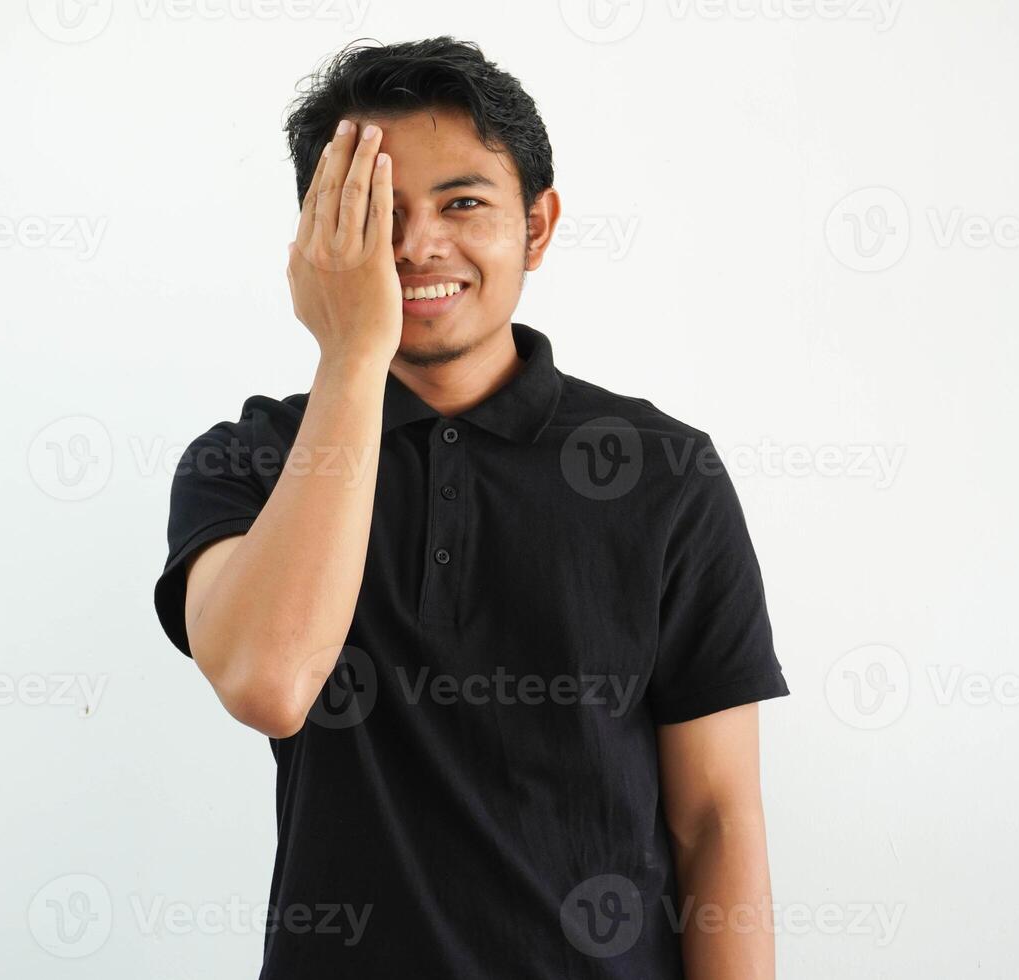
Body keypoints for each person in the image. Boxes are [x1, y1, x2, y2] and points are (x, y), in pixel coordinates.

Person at [153, 36, 791, 979]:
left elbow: (717, 820)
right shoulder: (251, 459)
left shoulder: (664, 472)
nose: (417, 245)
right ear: (320, 239)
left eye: (463, 204)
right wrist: (352, 358)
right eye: (377, 213)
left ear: (537, 226)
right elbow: (269, 684)